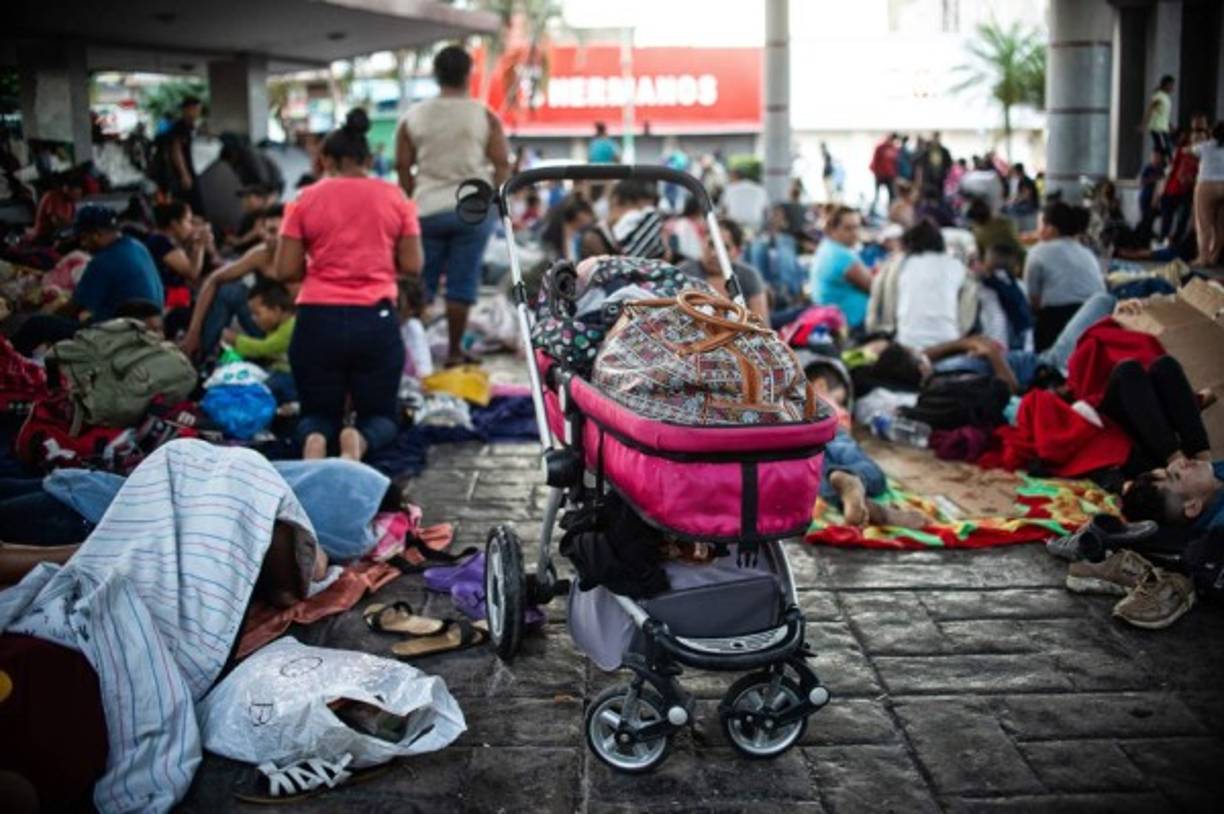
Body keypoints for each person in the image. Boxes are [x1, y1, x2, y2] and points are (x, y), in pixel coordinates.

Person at [273, 108, 423, 461]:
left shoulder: (303, 200)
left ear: (325, 159)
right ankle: (359, 439)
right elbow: (413, 265)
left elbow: (285, 269)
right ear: (369, 159)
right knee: (382, 416)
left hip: (316, 320)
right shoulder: (396, 198)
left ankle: (314, 440)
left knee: (316, 413)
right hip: (375, 319)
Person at [397, 44, 511, 367]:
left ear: (436, 75)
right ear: (468, 74)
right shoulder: (484, 115)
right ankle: (454, 352)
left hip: (426, 210)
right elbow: (502, 163)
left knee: (420, 285)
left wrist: (411, 200)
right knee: (462, 282)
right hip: (472, 210)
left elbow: (403, 167)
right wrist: (494, 197)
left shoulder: (412, 117)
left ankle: (409, 353)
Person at [180, 205, 283, 358]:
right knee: (229, 290)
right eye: (266, 231)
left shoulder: (306, 258)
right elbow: (213, 280)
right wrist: (193, 332)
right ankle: (203, 356)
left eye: (274, 231)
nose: (267, 237)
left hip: (292, 330)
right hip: (265, 323)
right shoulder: (261, 254)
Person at [1024, 200, 1105, 350]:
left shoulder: (1038, 251)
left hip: (1058, 319)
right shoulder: (1086, 252)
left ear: (1052, 229)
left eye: (1041, 225)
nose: (1038, 231)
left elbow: (1033, 299)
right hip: (1095, 317)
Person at [63, 205, 164, 324]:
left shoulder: (103, 261)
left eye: (83, 238)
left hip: (123, 334)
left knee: (41, 323)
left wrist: (49, 311)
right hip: (155, 327)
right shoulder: (137, 245)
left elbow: (73, 308)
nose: (82, 244)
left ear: (96, 235)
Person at [890, 220, 971, 350]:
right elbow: (966, 314)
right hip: (949, 342)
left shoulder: (902, 265)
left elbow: (892, 307)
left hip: (907, 342)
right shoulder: (956, 266)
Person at [677, 218, 768, 322]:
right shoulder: (683, 273)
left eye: (725, 248)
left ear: (737, 252)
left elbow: (761, 325)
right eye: (711, 244)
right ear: (702, 241)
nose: (714, 254)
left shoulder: (749, 277)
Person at [224, 280, 297, 404]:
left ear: (276, 310)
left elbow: (265, 347)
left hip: (290, 377)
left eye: (257, 314)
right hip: (278, 371)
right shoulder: (278, 326)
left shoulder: (291, 326)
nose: (253, 319)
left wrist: (236, 340)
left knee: (260, 391)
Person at [811, 205, 872, 330]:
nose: (855, 233)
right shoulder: (841, 256)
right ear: (833, 230)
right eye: (848, 228)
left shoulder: (828, 246)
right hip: (852, 325)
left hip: (833, 319)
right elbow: (875, 287)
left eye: (857, 227)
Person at [143, 201, 210, 310]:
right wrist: (200, 244)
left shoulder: (163, 240)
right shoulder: (161, 242)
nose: (191, 227)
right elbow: (192, 273)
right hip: (168, 301)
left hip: (174, 296)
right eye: (188, 221)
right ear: (174, 224)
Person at [1157, 129, 1202, 245]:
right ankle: (1162, 242)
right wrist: (1162, 188)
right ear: (1191, 140)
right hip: (1172, 190)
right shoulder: (1182, 152)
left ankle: (1175, 242)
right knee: (1167, 220)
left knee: (1183, 218)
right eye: (1196, 139)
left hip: (1187, 192)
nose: (1198, 142)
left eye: (1200, 140)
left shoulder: (1202, 155)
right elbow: (1171, 170)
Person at [1191, 121, 1224, 267]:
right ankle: (1214, 257)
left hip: (1207, 185)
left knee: (1204, 224)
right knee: (1220, 225)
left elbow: (1190, 150)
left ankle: (1203, 258)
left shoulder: (1206, 146)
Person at [165, 96, 204, 214]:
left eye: (199, 110)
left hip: (192, 170)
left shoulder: (191, 127)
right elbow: (176, 151)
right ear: (187, 110)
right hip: (182, 174)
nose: (198, 113)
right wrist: (184, 174)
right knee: (187, 204)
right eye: (196, 109)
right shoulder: (179, 128)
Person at [30, 170, 83, 243]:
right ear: (66, 189)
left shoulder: (70, 203)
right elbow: (57, 222)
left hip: (58, 237)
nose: (79, 195)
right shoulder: (52, 196)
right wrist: (80, 223)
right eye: (77, 192)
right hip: (44, 239)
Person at [965, 196, 1024, 262]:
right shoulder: (1005, 222)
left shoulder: (979, 231)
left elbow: (981, 253)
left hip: (1009, 261)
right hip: (1018, 258)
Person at [539, 194, 595, 262]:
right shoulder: (566, 224)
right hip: (551, 246)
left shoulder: (579, 229)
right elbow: (569, 257)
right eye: (581, 220)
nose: (584, 223)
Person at [721, 167, 769, 233]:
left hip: (735, 224)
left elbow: (724, 209)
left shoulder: (730, 188)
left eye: (730, 177)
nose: (729, 180)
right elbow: (765, 210)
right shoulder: (760, 188)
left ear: (735, 177)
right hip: (755, 224)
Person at [1141, 75, 1175, 156]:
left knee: (1165, 147)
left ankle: (1161, 164)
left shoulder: (1166, 97)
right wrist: (1144, 124)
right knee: (1164, 148)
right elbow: (1150, 109)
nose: (1173, 87)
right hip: (1157, 128)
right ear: (1167, 85)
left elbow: (1163, 114)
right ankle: (1162, 165)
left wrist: (1169, 125)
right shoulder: (1158, 96)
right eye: (1172, 85)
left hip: (1163, 127)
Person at [913, 132, 952, 201]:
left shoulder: (944, 151)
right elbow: (918, 163)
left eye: (937, 138)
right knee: (928, 197)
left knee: (939, 196)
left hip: (940, 178)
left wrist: (946, 173)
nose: (936, 140)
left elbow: (949, 164)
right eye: (935, 138)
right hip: (928, 179)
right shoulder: (927, 151)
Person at [1138, 147, 1167, 236]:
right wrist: (1154, 179)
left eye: (1157, 156)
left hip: (1157, 200)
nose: (1155, 158)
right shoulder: (1148, 168)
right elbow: (1141, 181)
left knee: (1152, 219)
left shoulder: (1163, 168)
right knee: (1146, 220)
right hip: (1145, 198)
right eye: (1153, 156)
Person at [869, 134, 899, 216]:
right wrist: (877, 173)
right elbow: (875, 161)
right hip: (880, 175)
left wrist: (895, 174)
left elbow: (896, 163)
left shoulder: (894, 149)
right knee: (877, 195)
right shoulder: (880, 148)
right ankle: (872, 212)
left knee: (892, 196)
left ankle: (891, 213)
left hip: (890, 176)